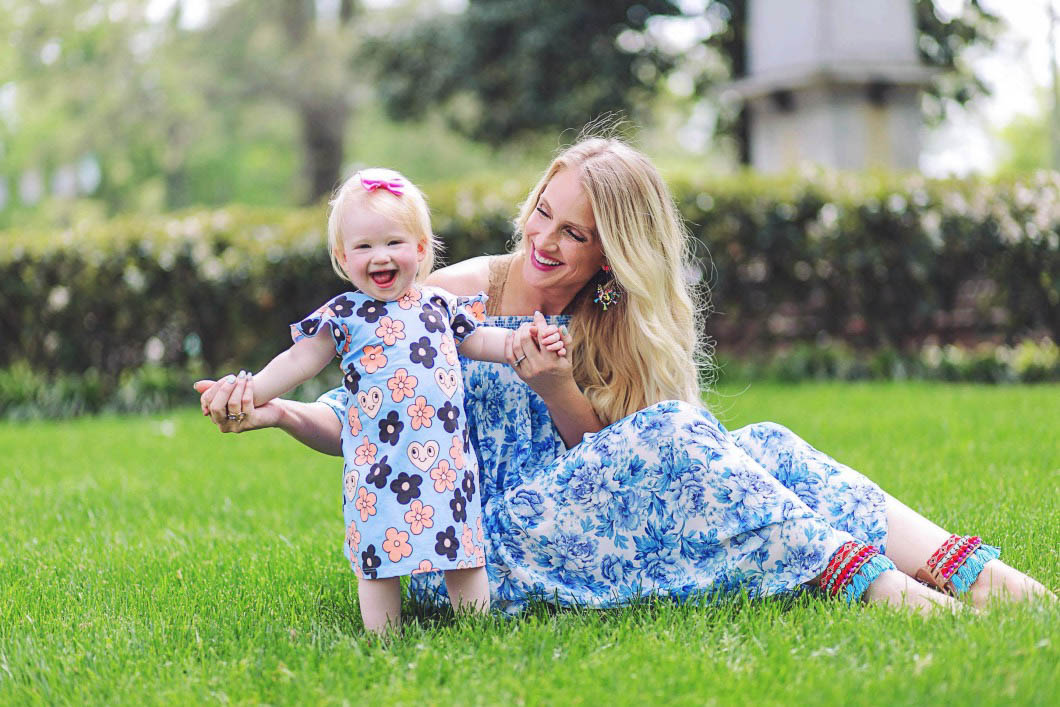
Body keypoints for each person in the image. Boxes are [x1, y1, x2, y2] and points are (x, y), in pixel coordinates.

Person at [197, 136, 1052, 620]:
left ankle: (970, 573)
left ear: (613, 252)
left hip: (575, 522)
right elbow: (359, 420)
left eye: (576, 231)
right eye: (544, 212)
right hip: (465, 553)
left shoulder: (618, 326)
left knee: (765, 443)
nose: (546, 239)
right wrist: (275, 411)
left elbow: (629, 468)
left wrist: (559, 389)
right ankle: (885, 591)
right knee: (689, 433)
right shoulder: (446, 297)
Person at [208, 167, 568, 634]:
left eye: (394, 242)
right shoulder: (345, 316)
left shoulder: (439, 305)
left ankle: (478, 631)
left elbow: (485, 343)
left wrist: (527, 340)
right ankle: (383, 637)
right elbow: (298, 363)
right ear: (342, 257)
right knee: (378, 559)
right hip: (378, 470)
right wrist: (249, 390)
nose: (381, 256)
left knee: (462, 551)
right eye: (364, 247)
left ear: (420, 249)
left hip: (446, 465)